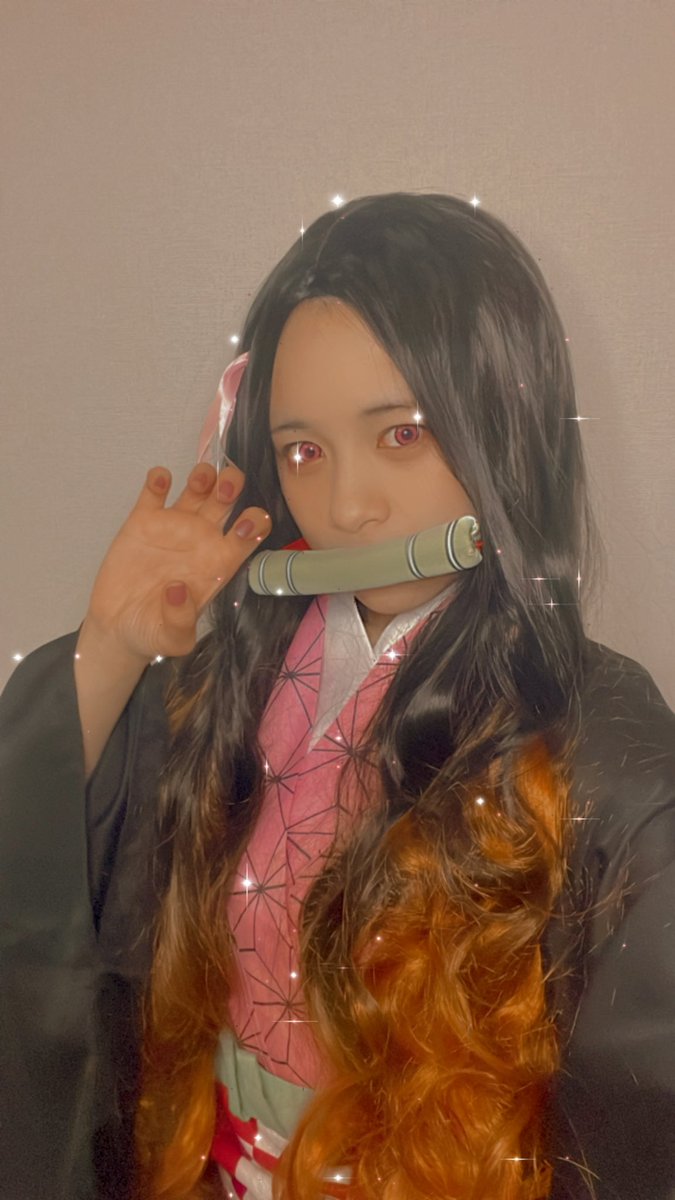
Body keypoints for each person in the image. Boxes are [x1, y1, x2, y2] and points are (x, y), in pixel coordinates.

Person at [1, 193, 674, 1200]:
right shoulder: (221, 684)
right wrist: (112, 647)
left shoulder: (605, 746)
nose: (348, 506)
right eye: (304, 452)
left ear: (501, 427)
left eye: (401, 435)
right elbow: (37, 883)